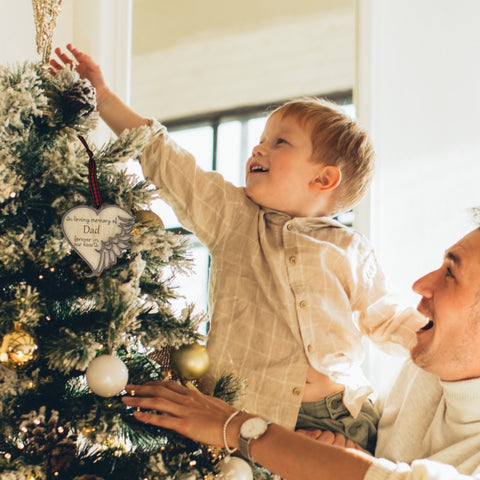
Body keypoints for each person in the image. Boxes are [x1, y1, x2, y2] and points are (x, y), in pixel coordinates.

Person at [50, 45, 426, 453]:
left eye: (279, 142)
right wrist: (103, 97)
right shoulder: (234, 218)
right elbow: (168, 160)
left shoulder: (349, 248)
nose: (257, 149)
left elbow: (386, 318)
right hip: (245, 412)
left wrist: (442, 341)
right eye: (260, 139)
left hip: (338, 415)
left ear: (324, 179)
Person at [122, 224, 480, 479]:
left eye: (450, 273)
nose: (421, 285)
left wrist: (236, 426)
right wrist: (352, 455)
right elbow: (384, 467)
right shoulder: (427, 369)